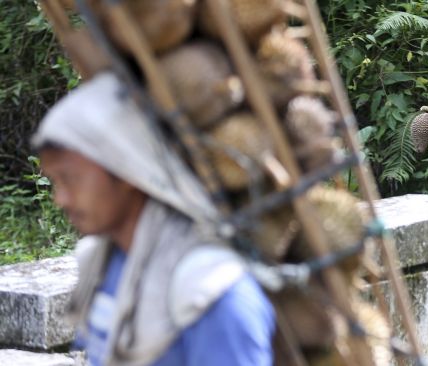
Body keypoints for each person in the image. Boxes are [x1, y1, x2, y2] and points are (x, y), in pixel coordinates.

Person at [32, 72, 275, 365]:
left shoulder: (214, 298)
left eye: (71, 179)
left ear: (126, 170)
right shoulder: (99, 266)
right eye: (56, 181)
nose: (61, 199)